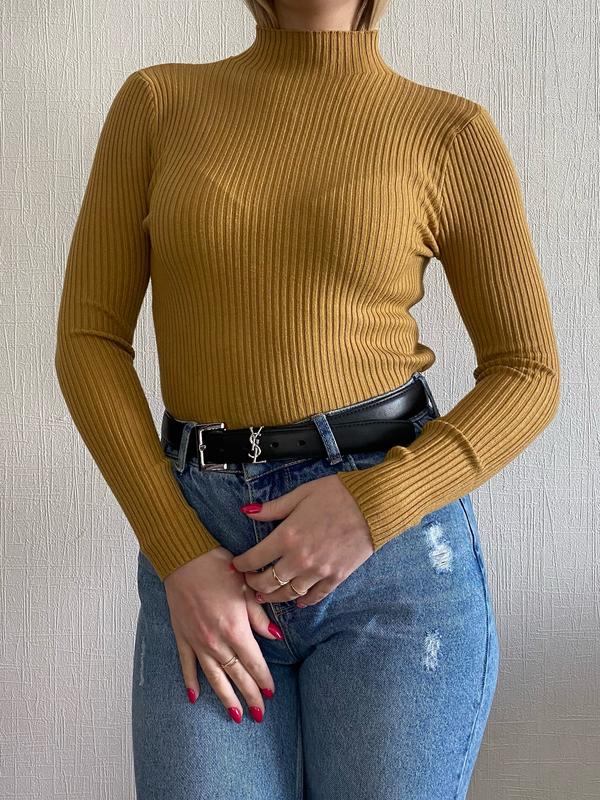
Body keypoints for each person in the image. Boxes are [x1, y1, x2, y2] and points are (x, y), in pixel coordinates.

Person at [54, 0, 560, 797]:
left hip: (392, 561)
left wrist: (376, 505)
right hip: (202, 545)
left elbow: (528, 371)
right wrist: (178, 548)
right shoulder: (158, 105)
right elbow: (89, 340)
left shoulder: (449, 133)